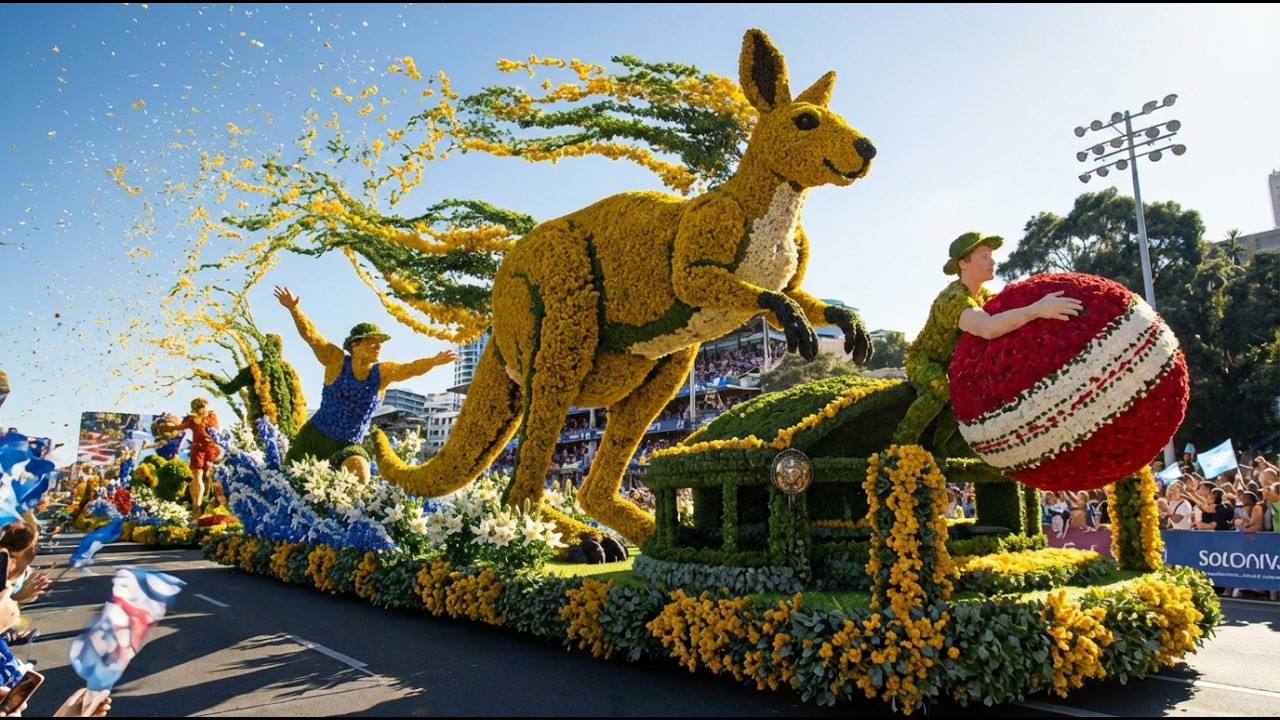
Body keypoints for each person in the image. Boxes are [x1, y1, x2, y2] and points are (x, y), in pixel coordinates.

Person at [892, 232, 1083, 446]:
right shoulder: (953, 298)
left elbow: (1008, 314)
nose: (992, 261)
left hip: (954, 366)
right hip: (924, 361)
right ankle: (901, 445)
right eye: (984, 256)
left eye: (991, 255)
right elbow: (988, 328)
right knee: (940, 389)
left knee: (964, 395)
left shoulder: (984, 296)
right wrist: (1037, 310)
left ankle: (940, 448)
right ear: (963, 263)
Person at [275, 286, 460, 483]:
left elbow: (409, 368)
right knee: (286, 485)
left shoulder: (382, 373)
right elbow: (312, 337)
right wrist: (294, 309)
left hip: (347, 446)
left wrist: (432, 361)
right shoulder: (336, 361)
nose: (379, 346)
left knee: (360, 472)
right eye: (373, 341)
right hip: (312, 439)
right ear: (355, 345)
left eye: (381, 342)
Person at [176, 397, 221, 515]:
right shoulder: (190, 419)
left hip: (209, 449)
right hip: (197, 450)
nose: (203, 409)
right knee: (197, 475)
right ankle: (196, 505)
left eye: (204, 406)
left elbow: (216, 433)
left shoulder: (211, 417)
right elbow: (182, 432)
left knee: (211, 475)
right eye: (200, 407)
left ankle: (212, 502)